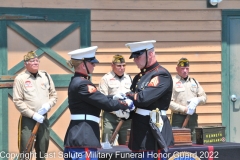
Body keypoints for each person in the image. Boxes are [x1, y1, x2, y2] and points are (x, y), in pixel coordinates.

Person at [63, 46, 135, 160]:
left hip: (80, 135)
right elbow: (105, 103)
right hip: (84, 136)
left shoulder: (78, 81)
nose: (94, 65)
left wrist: (114, 97)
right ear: (83, 65)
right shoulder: (83, 84)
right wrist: (125, 104)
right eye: (91, 63)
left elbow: (97, 98)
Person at [124, 40, 174, 159]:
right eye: (134, 57)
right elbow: (135, 103)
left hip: (153, 132)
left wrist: (128, 95)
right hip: (140, 130)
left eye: (138, 56)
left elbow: (143, 99)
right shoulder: (139, 77)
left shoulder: (161, 75)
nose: (135, 60)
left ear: (150, 54)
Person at [13, 51, 57, 160]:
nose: (35, 62)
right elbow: (18, 101)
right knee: (25, 152)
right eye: (32, 61)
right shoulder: (20, 79)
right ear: (25, 64)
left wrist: (48, 105)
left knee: (42, 150)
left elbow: (54, 95)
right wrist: (33, 115)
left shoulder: (45, 75)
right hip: (28, 119)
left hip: (43, 118)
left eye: (37, 60)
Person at [169, 57, 207, 141]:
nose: (185, 71)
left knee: (194, 140)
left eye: (187, 68)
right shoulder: (172, 82)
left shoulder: (194, 82)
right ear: (177, 69)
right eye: (182, 68)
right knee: (177, 141)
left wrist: (197, 100)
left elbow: (204, 97)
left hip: (192, 117)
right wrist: (184, 109)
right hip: (178, 117)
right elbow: (168, 102)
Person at [99, 54, 132, 145]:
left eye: (123, 65)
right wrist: (116, 110)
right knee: (107, 145)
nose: (122, 68)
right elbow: (102, 99)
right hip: (111, 117)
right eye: (119, 66)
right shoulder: (105, 79)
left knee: (127, 147)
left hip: (126, 118)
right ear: (112, 65)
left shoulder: (129, 78)